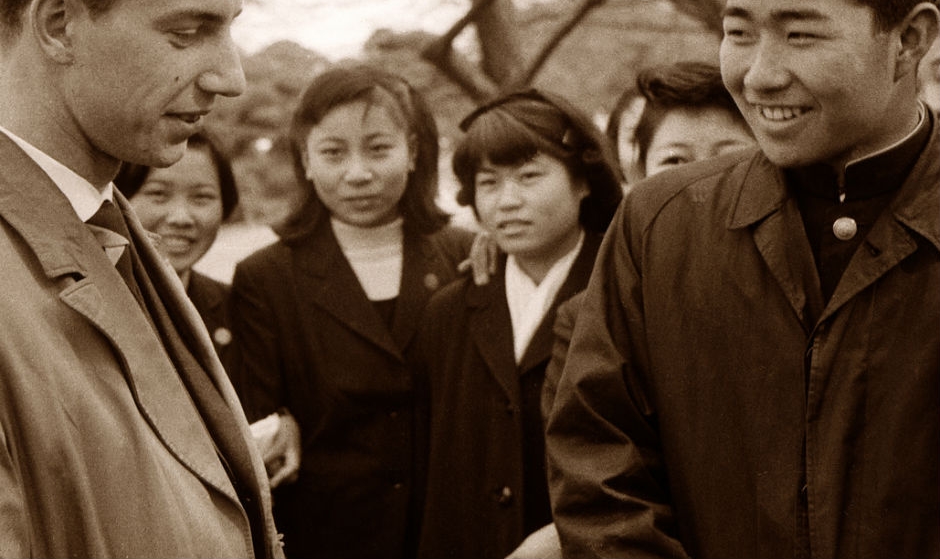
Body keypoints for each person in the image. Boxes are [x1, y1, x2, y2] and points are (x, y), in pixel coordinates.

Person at [546, 0, 940, 558]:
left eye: (801, 34)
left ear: (910, 39)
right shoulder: (660, 224)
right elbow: (601, 471)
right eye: (738, 31)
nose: (759, 75)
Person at [0, 0, 282, 557]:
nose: (233, 77)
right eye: (188, 32)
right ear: (58, 24)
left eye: (229, 27)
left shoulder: (112, 224)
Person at [228, 64, 474, 559]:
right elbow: (257, 417)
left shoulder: (467, 257)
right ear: (307, 160)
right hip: (327, 537)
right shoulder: (265, 278)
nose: (357, 173)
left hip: (452, 529)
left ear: (412, 153)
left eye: (378, 148)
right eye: (333, 152)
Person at [413, 90, 622, 559]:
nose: (508, 201)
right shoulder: (448, 311)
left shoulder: (624, 293)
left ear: (583, 181)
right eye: (489, 183)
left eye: (529, 176)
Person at [541, 61, 755, 416]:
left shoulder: (812, 289)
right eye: (674, 160)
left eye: (729, 157)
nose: (702, 179)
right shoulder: (594, 318)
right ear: (638, 178)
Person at [116, 130, 241, 370]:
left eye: (201, 198)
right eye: (158, 194)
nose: (181, 218)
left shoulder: (240, 310)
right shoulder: (87, 304)